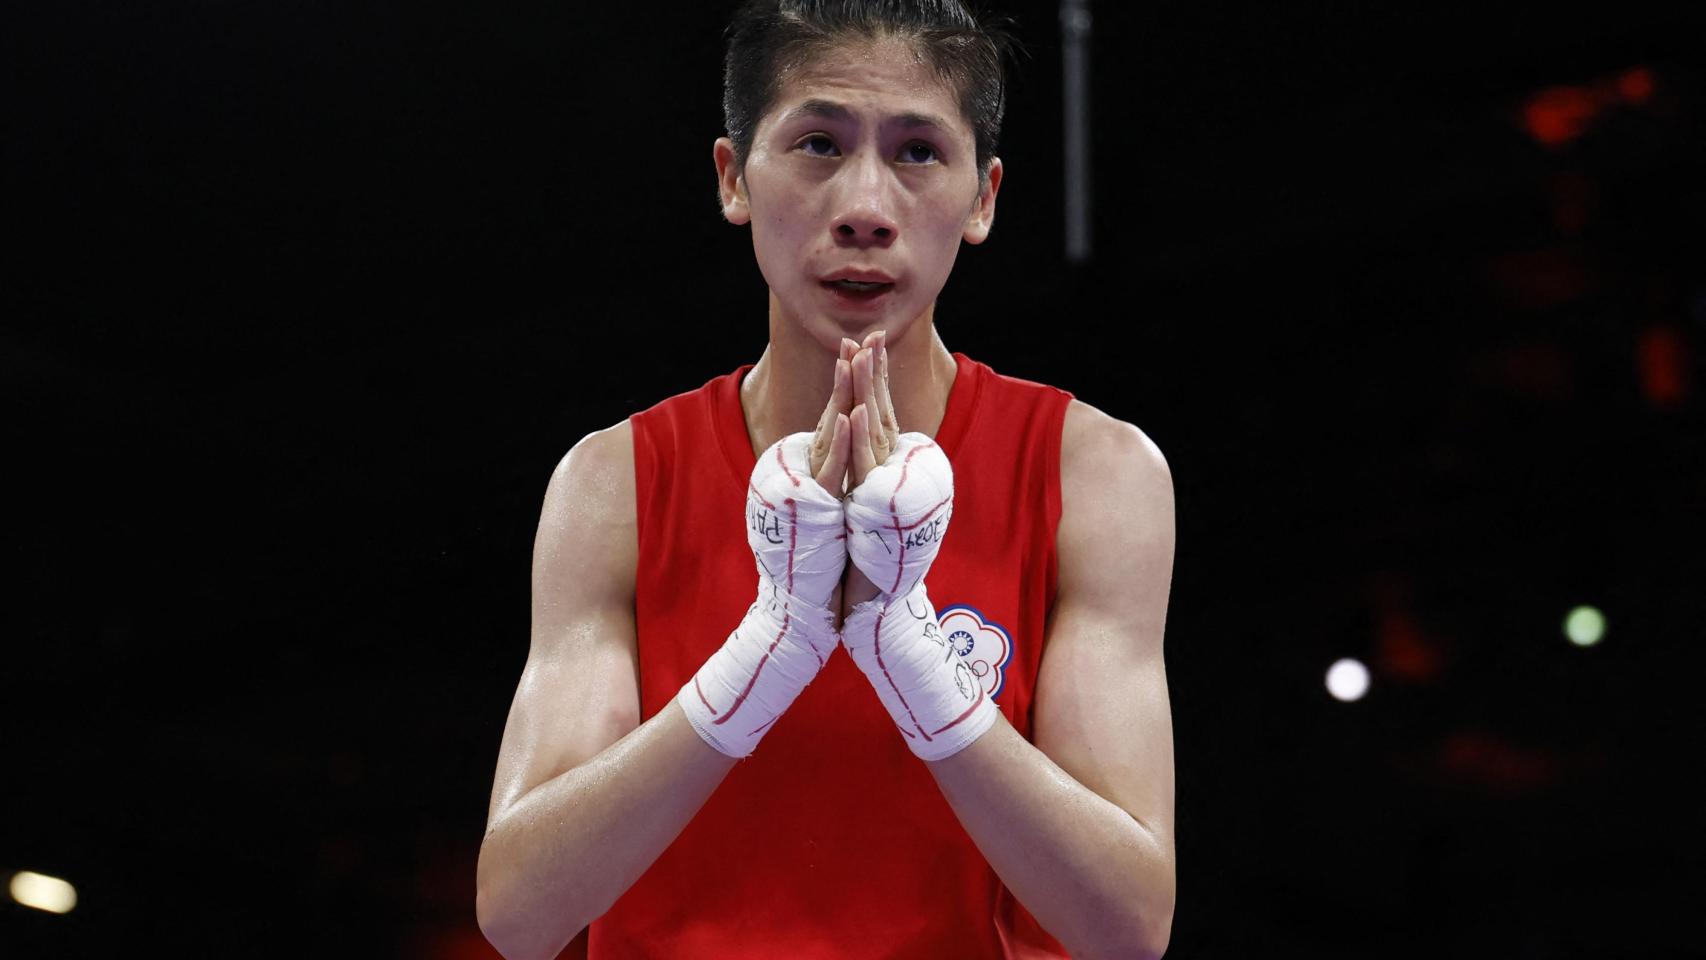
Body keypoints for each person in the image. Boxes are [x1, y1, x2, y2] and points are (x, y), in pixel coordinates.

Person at [476, 1, 1176, 957]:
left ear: (983, 199)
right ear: (733, 179)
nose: (865, 208)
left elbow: (1129, 926)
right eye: (817, 142)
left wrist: (909, 659)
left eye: (919, 152)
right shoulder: (614, 484)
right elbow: (521, 913)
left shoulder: (1092, 471)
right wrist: (773, 645)